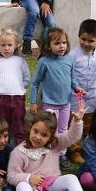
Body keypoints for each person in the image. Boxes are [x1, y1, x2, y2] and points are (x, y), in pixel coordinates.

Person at [30, 27, 84, 169]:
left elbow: (72, 79)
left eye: (64, 43)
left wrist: (77, 88)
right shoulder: (44, 62)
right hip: (49, 105)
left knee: (63, 131)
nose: (62, 46)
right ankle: (46, 155)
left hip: (65, 104)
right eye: (57, 43)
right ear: (48, 45)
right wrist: (33, 102)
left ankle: (61, 156)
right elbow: (35, 83)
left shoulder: (68, 60)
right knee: (48, 130)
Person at [66, 19, 96, 165]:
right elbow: (69, 75)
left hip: (91, 96)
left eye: (91, 40)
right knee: (75, 122)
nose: (86, 43)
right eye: (83, 39)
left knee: (88, 124)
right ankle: (73, 150)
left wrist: (94, 84)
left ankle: (87, 149)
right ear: (78, 37)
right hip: (76, 96)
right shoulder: (72, 55)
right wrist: (76, 89)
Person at [0, 28, 30, 145]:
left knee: (19, 126)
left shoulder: (20, 61)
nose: (6, 48)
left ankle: (20, 150)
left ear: (15, 45)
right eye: (3, 45)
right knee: (1, 127)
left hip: (17, 99)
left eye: (9, 45)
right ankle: (2, 149)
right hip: (0, 100)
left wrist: (21, 89)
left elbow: (27, 78)